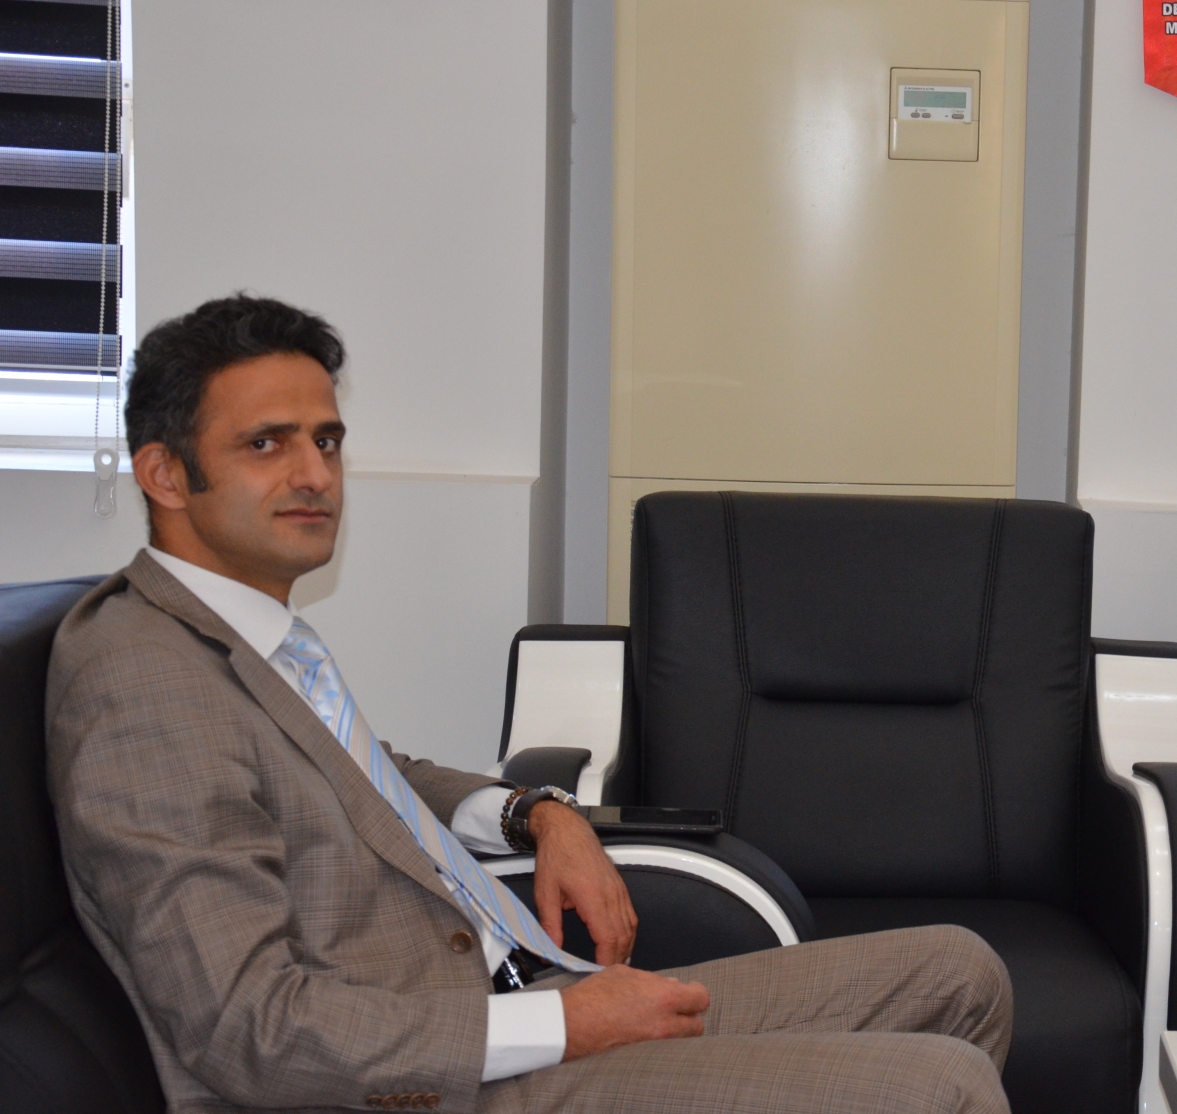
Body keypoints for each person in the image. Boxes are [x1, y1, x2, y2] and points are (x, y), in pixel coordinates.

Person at [46, 295, 1012, 1114]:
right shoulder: (143, 684)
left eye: (326, 441)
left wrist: (538, 814)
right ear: (165, 474)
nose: (314, 475)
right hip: (437, 1078)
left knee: (959, 974)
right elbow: (249, 1029)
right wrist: (561, 1024)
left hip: (515, 999)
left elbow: (367, 778)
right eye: (267, 444)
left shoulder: (247, 636)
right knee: (947, 1087)